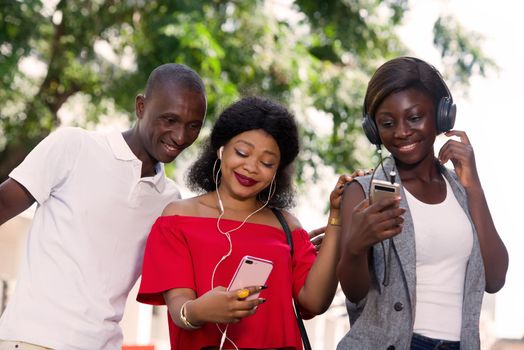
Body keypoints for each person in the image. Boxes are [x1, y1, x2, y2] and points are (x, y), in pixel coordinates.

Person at [0, 63, 208, 350]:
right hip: (32, 339)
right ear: (141, 106)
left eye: (193, 125)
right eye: (169, 119)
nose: (181, 136)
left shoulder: (170, 203)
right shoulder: (74, 146)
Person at [136, 96, 351, 350]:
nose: (251, 167)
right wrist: (201, 310)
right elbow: (179, 308)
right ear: (221, 149)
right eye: (242, 152)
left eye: (267, 162)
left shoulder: (288, 227)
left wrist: (337, 219)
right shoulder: (178, 219)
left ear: (277, 171)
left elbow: (315, 302)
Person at [336, 56, 509, 350]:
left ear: (443, 116)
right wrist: (355, 246)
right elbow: (354, 293)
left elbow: (494, 279)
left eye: (414, 118)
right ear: (373, 130)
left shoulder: (464, 192)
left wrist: (474, 187)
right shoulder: (361, 191)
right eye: (387, 123)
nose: (402, 132)